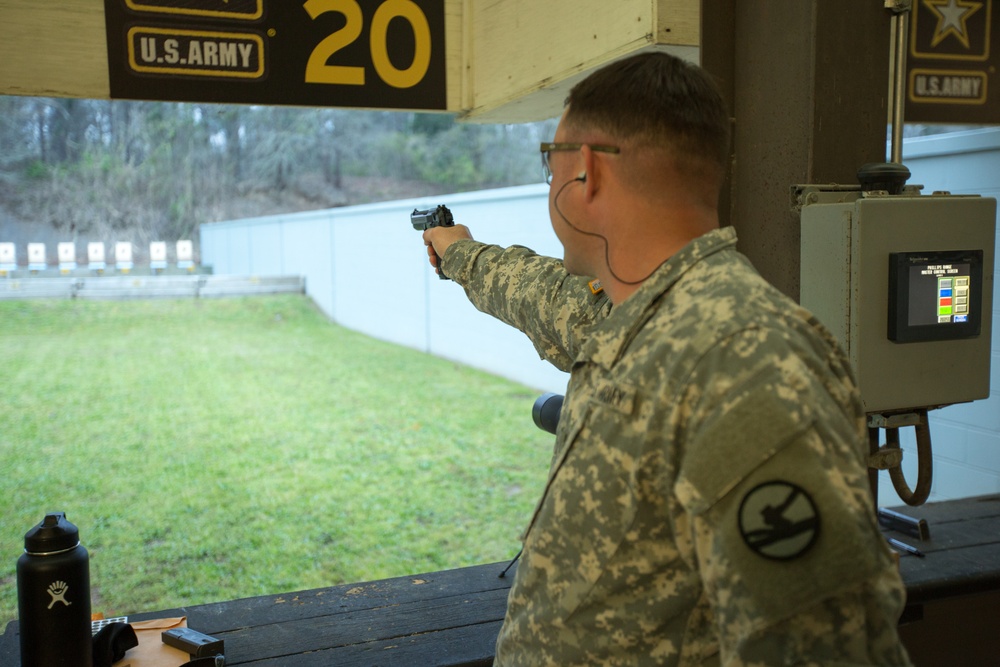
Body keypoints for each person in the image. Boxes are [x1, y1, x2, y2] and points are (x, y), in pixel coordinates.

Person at [421, 52, 912, 666]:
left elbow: (828, 652)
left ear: (588, 174)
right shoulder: (649, 311)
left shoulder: (745, 360)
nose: (550, 184)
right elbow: (544, 297)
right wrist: (461, 254)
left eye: (551, 164)